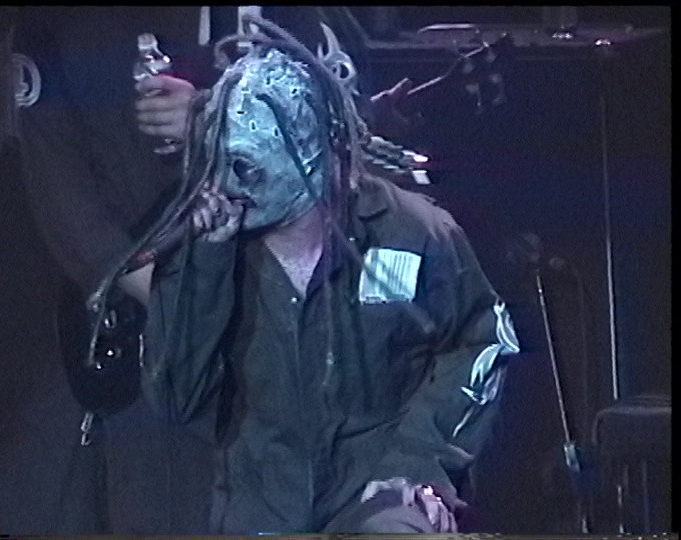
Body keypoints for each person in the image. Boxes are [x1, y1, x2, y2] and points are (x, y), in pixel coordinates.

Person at [0, 6, 415, 535]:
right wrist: (174, 297)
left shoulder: (293, 18)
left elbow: (342, 158)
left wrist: (212, 118)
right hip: (140, 351)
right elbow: (65, 205)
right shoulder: (52, 28)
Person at [109, 15, 520, 533]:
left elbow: (482, 339)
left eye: (246, 166)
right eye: (221, 158)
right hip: (263, 510)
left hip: (379, 495)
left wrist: (420, 462)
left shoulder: (410, 232)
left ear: (310, 154)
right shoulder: (213, 249)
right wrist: (206, 268)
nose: (227, 182)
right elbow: (175, 398)